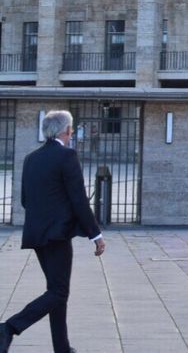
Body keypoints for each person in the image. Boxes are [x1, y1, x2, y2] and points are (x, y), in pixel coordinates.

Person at [0, 110, 106, 353]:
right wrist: (96, 235)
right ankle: (9, 327)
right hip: (58, 235)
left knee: (56, 291)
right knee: (59, 291)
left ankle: (62, 347)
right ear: (66, 131)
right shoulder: (67, 156)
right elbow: (79, 199)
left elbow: (26, 200)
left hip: (37, 234)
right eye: (71, 129)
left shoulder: (31, 158)